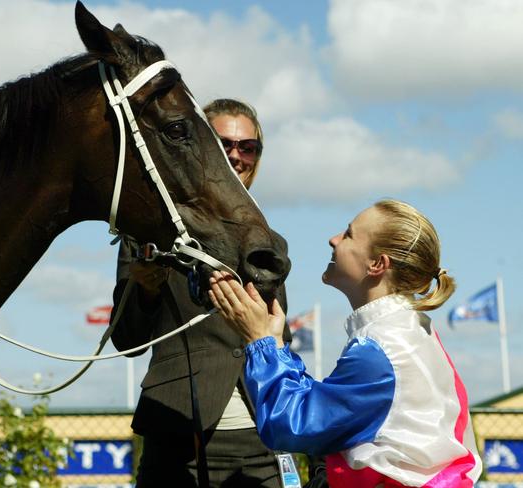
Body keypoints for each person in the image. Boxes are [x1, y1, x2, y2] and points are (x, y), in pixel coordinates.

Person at [209, 199, 483, 487]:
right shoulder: (412, 330)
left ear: (377, 264)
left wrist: (259, 341)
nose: (333, 239)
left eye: (349, 234)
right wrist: (276, 345)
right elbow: (324, 408)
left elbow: (292, 423)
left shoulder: (381, 348)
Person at [110, 99, 301, 487]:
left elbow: (281, 337)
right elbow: (126, 341)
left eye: (248, 147)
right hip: (177, 433)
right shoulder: (148, 233)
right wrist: (145, 290)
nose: (236, 154)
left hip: (262, 436)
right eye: (223, 143)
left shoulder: (270, 240)